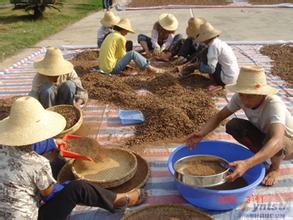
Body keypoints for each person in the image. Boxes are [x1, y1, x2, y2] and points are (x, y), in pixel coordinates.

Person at [0, 96, 146, 220]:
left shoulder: (3, 147)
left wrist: (52, 143)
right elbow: (49, 196)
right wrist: (66, 185)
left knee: (57, 163)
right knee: (78, 188)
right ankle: (118, 200)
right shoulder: (37, 164)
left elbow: (25, 148)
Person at [186, 65, 293, 186]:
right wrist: (202, 133)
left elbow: (277, 140)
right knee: (234, 125)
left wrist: (247, 164)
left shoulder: (273, 103)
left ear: (261, 93)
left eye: (250, 96)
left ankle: (275, 168)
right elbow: (219, 116)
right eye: (242, 94)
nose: (244, 100)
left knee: (272, 139)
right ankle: (260, 156)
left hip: (287, 144)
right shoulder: (240, 98)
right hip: (264, 135)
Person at [99, 18, 164, 75]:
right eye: (127, 30)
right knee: (132, 53)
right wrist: (132, 62)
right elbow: (121, 56)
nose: (127, 32)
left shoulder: (111, 35)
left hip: (103, 67)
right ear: (123, 29)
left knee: (130, 54)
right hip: (110, 69)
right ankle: (150, 68)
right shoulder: (120, 38)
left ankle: (146, 66)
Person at [196, 22, 239, 91]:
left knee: (205, 56)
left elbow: (211, 69)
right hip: (234, 77)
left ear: (206, 38)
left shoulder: (213, 46)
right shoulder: (219, 43)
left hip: (226, 79)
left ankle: (215, 82)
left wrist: (198, 66)